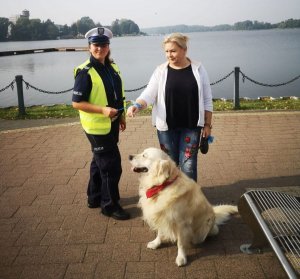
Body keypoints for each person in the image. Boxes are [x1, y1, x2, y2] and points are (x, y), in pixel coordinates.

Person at [127, 33, 213, 182]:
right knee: (168, 165)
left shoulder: (198, 69)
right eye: (166, 51)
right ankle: (171, 195)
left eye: (173, 51)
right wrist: (137, 105)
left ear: (184, 50)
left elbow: (207, 99)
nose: (169, 55)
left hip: (191, 127)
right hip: (166, 129)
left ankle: (189, 198)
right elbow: (149, 93)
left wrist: (207, 125)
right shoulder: (160, 71)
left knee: (189, 166)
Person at [72, 27, 130, 220]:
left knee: (99, 161)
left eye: (104, 45)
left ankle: (94, 197)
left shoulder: (112, 67)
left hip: (111, 123)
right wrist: (103, 110)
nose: (100, 49)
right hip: (97, 126)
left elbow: (117, 95)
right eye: (96, 45)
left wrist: (120, 115)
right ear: (89, 47)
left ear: (108, 47)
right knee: (112, 166)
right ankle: (109, 206)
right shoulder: (85, 72)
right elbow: (76, 103)